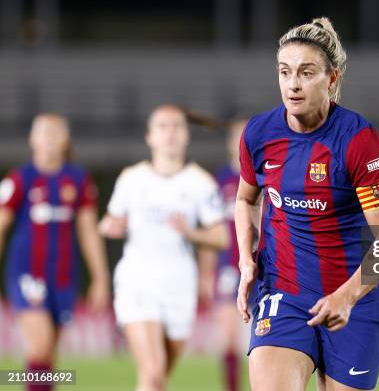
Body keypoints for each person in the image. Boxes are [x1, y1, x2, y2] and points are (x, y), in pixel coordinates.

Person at [235, 17, 379, 391]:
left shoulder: (358, 140)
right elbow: (245, 200)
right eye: (284, 72)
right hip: (283, 292)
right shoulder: (259, 134)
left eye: (306, 73)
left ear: (332, 78)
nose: (293, 84)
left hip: (352, 301)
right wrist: (247, 261)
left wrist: (345, 297)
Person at [98, 104, 229, 391]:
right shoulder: (132, 179)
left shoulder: (200, 183)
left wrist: (190, 232)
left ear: (186, 135)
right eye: (163, 126)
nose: (170, 133)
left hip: (179, 285)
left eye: (177, 126)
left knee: (156, 380)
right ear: (150, 137)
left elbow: (221, 238)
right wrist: (109, 227)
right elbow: (108, 221)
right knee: (154, 372)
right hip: (138, 282)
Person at [0, 113, 110, 391]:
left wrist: (100, 277)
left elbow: (88, 232)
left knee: (48, 356)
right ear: (32, 139)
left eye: (55, 132)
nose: (49, 138)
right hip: (26, 273)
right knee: (40, 345)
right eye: (43, 132)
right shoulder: (19, 179)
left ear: (65, 140)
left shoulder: (78, 180)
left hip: (62, 276)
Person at [200, 118, 256, 391]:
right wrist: (205, 273)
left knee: (262, 339)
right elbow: (211, 233)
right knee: (229, 337)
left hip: (262, 267)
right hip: (226, 267)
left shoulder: (268, 178)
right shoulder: (219, 181)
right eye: (237, 136)